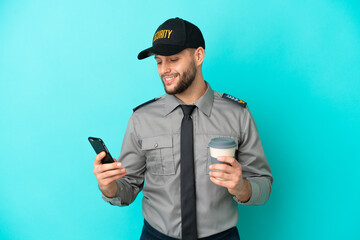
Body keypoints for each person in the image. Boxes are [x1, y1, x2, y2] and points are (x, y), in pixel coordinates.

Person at [93, 17, 273, 240]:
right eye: (159, 62)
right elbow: (127, 188)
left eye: (173, 59)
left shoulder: (237, 114)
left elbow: (263, 183)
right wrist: (109, 187)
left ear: (198, 56)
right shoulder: (142, 118)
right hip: (157, 236)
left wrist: (242, 187)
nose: (164, 70)